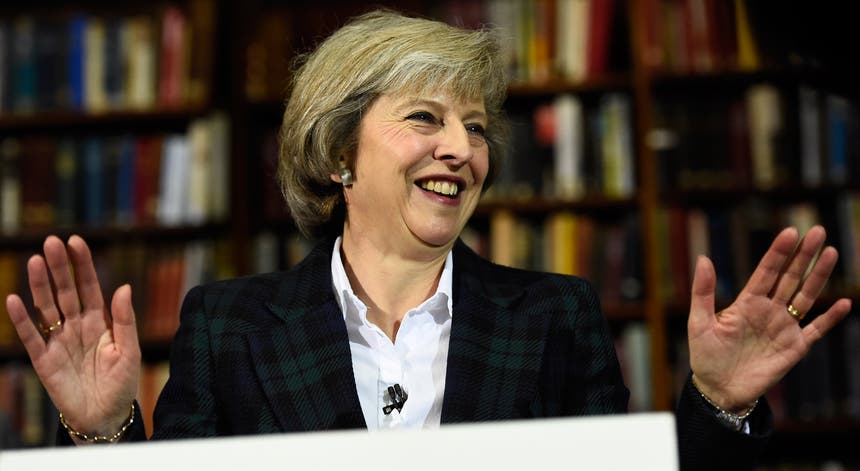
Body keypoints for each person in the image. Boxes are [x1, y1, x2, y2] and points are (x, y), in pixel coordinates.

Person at [4, 9, 852, 470]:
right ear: (339, 153)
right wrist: (103, 432)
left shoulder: (558, 314)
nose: (463, 149)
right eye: (425, 119)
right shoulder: (225, 325)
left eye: (475, 127)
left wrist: (718, 406)